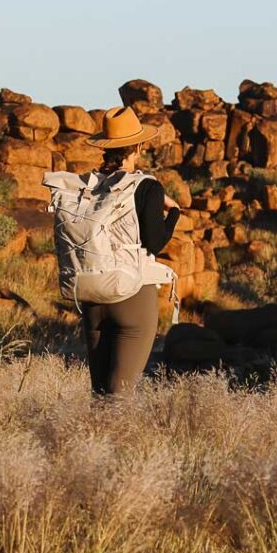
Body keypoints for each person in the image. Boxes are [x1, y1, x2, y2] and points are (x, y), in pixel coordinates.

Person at [78, 105, 180, 395]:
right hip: (131, 293)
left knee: (99, 393)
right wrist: (173, 213)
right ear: (138, 145)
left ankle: (86, 440)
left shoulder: (91, 184)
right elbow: (154, 242)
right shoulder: (147, 187)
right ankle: (114, 440)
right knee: (119, 395)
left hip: (91, 292)